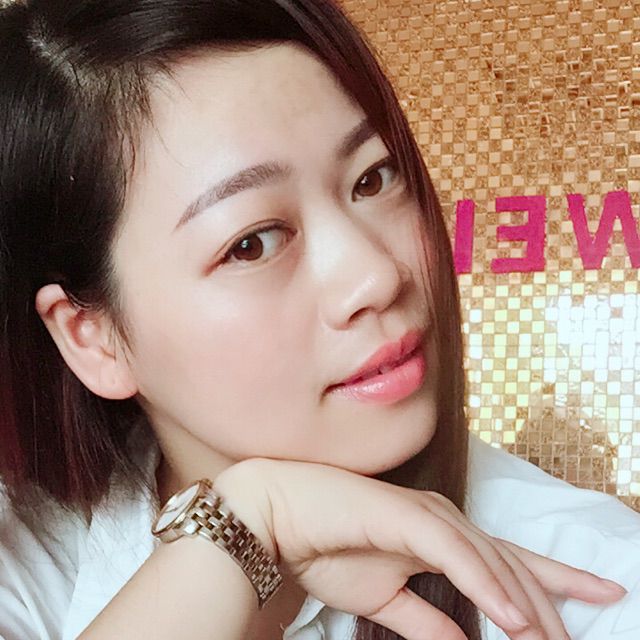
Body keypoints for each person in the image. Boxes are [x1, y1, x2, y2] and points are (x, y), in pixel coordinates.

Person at [0, 1, 638, 639]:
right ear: (93, 338)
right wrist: (245, 525)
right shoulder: (27, 564)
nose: (378, 275)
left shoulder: (600, 584)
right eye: (252, 243)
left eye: (373, 179)